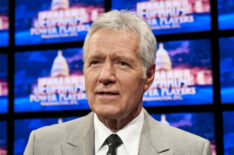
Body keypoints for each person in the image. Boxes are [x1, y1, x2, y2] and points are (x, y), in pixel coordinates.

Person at [24, 10, 212, 155]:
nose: (105, 76)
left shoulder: (192, 150)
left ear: (149, 75)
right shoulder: (41, 145)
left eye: (122, 63)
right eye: (95, 62)